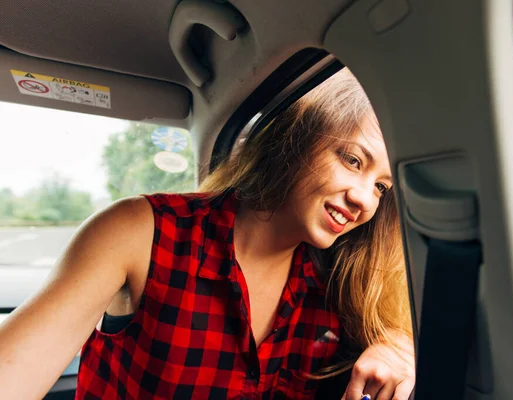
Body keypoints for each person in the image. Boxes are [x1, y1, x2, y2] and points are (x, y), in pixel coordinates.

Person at [0, 68, 414, 399]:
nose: (365, 199)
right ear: (298, 139)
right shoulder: (138, 231)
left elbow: (397, 327)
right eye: (353, 160)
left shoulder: (340, 286)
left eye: (381, 187)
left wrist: (398, 345)